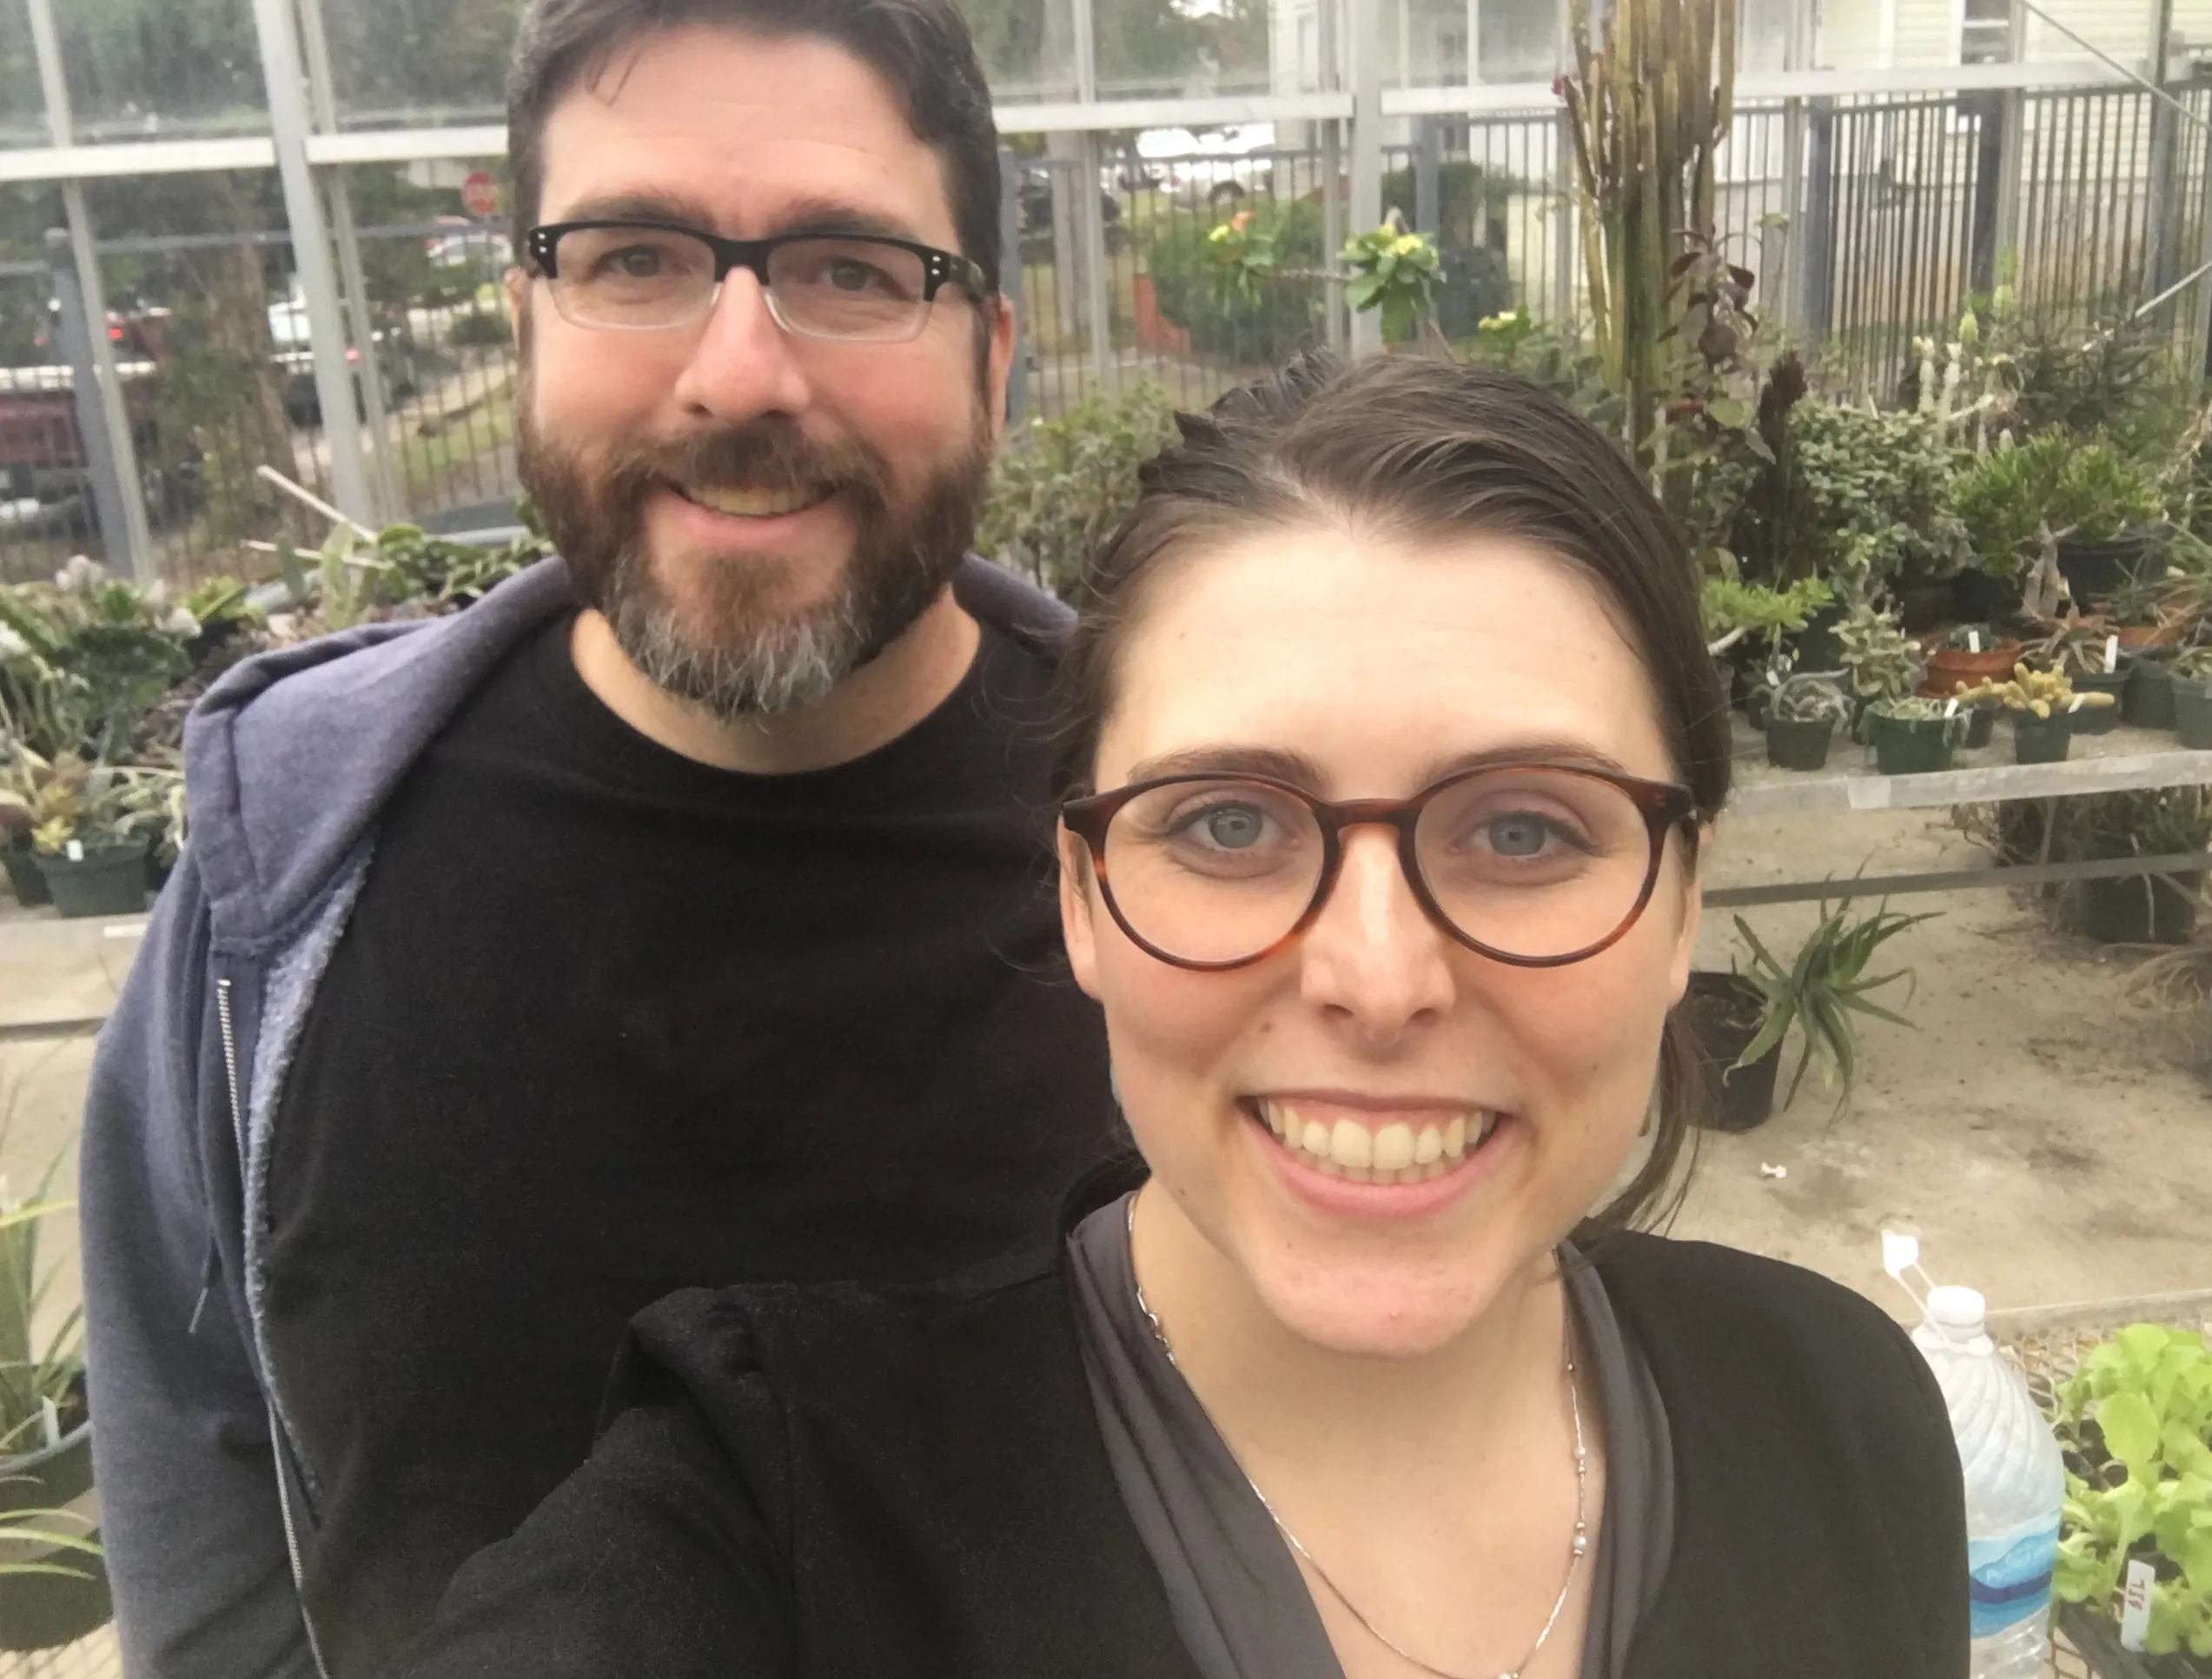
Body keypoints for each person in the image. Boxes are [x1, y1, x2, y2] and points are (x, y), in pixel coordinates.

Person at [385, 355, 1970, 1679]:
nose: (1376, 975)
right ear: (1080, 897)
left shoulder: (1843, 1419)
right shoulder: (773, 1522)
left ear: (1687, 900)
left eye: (1524, 830)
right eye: (1227, 823)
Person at [79, 3, 1116, 1675]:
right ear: (526, 324)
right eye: (636, 258)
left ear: (991, 355)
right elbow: (205, 1547)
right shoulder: (280, 899)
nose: (739, 374)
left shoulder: (1203, 859)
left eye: (852, 268)